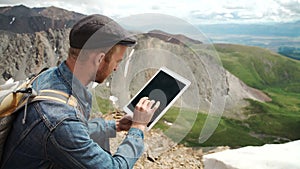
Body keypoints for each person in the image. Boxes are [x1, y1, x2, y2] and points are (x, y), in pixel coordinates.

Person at [0, 14, 160, 169]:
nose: (117, 68)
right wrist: (138, 127)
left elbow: (68, 133)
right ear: (99, 59)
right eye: (117, 62)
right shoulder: (60, 120)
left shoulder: (50, 76)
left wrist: (115, 125)